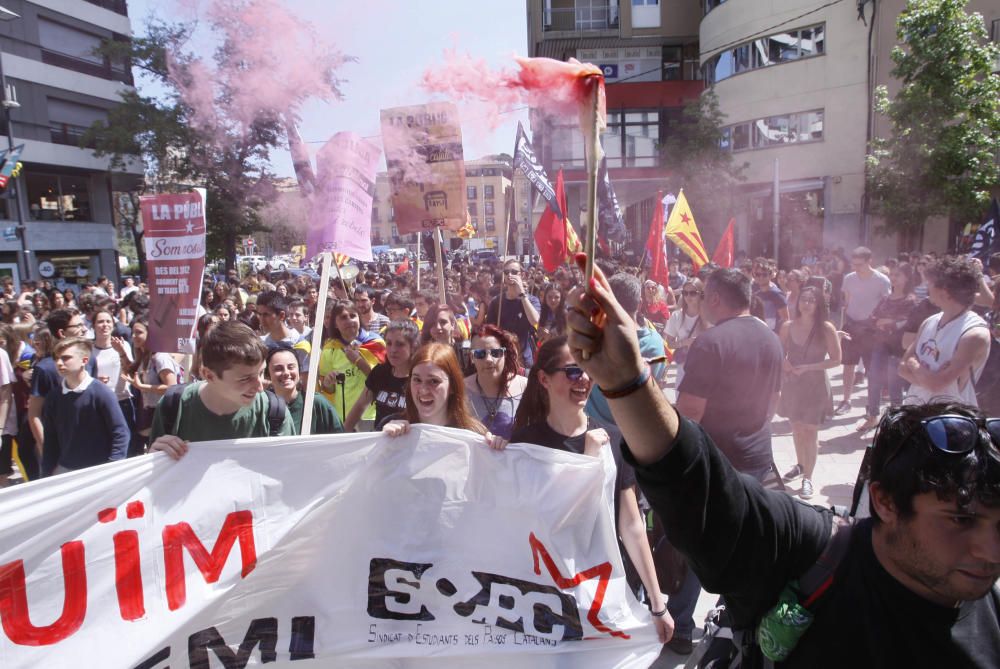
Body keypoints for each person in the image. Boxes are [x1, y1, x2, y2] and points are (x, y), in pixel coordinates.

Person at [564, 255, 1000, 667]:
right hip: (748, 460)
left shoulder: (991, 607)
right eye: (960, 520)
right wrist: (627, 383)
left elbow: (698, 414)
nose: (990, 551)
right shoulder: (816, 551)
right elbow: (695, 484)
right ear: (884, 502)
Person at [510, 336, 674, 645]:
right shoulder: (525, 446)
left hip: (606, 590)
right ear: (544, 379)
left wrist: (657, 603)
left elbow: (632, 525)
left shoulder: (613, 439)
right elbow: (528, 522)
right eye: (572, 371)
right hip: (545, 595)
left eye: (587, 370)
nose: (583, 379)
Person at [149, 321, 295, 459]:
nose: (259, 387)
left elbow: (288, 474)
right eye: (245, 379)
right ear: (208, 375)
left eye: (261, 373)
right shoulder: (173, 406)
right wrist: (154, 458)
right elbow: (153, 477)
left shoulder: (274, 413)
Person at [777, 286, 842, 499]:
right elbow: (779, 351)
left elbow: (836, 359)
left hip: (815, 385)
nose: (806, 303)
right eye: (803, 299)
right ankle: (800, 464)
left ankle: (808, 478)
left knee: (811, 431)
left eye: (811, 300)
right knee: (796, 428)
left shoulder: (826, 328)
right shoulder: (788, 326)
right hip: (793, 383)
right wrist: (785, 364)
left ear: (818, 304)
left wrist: (809, 367)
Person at [899, 256, 990, 406]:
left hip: (951, 421)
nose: (927, 287)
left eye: (930, 283)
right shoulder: (930, 321)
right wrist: (928, 378)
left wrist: (914, 364)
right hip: (914, 411)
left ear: (945, 291)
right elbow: (902, 368)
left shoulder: (974, 334)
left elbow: (937, 384)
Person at [380, 342, 504, 450]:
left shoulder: (475, 434)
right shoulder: (391, 426)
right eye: (417, 380)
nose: (423, 390)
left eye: (434, 381)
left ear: (452, 386)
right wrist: (381, 442)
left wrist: (497, 450)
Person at [586, 273, 667, 425]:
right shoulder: (655, 341)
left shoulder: (594, 341)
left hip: (598, 428)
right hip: (639, 428)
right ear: (640, 303)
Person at [41, 337, 128, 475]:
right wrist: (46, 472)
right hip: (65, 469)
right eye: (56, 358)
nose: (59, 363)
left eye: (66, 358)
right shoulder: (54, 397)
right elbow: (50, 439)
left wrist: (112, 467)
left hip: (97, 471)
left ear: (84, 361)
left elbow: (120, 432)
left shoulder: (101, 393)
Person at [857, 262, 919, 432]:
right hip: (880, 345)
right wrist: (878, 321)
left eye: (898, 275)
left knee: (894, 384)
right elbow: (873, 317)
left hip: (898, 348)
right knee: (874, 378)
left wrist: (890, 322)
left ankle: (896, 420)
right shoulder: (885, 298)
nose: (894, 278)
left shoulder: (911, 300)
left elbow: (909, 323)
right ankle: (872, 416)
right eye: (892, 275)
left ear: (907, 277)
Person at [837, 246, 891, 414]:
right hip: (851, 325)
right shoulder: (849, 278)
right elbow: (847, 302)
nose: (856, 268)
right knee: (848, 365)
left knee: (871, 368)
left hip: (870, 329)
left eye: (859, 264)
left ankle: (871, 405)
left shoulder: (882, 280)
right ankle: (846, 401)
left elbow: (886, 304)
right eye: (854, 264)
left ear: (870, 262)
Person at [317, 300, 386, 422]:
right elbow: (327, 389)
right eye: (343, 317)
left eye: (353, 316)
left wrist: (357, 360)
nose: (349, 320)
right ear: (335, 324)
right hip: (342, 417)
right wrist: (328, 383)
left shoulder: (376, 343)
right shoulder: (330, 348)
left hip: (371, 416)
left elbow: (381, 381)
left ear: (359, 318)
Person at [344, 320, 418, 431]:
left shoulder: (420, 379)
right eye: (389, 343)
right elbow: (359, 407)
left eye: (400, 344)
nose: (393, 350)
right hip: (381, 442)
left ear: (413, 347)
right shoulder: (379, 373)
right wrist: (342, 434)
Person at [464, 325, 527, 440]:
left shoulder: (526, 387)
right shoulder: (461, 390)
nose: (488, 360)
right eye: (480, 354)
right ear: (472, 357)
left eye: (495, 353)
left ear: (505, 354)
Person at [126, 314, 181, 446]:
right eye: (133, 332)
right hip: (148, 413)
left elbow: (171, 387)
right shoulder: (144, 356)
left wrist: (143, 387)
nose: (133, 336)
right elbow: (130, 371)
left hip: (162, 415)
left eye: (138, 332)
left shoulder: (160, 357)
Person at [91, 308, 138, 456]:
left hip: (122, 401)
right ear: (93, 326)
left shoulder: (123, 345)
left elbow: (131, 370)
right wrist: (94, 380)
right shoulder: (88, 349)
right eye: (100, 322)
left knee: (126, 447)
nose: (104, 325)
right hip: (99, 404)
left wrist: (121, 353)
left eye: (108, 321)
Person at [265, 345, 342, 435]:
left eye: (291, 367)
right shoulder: (263, 407)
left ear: (299, 370)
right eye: (278, 369)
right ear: (267, 374)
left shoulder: (316, 403)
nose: (286, 373)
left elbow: (341, 441)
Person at [485, 258, 541, 367]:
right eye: (506, 272)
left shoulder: (532, 300)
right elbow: (489, 330)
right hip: (503, 357)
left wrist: (522, 294)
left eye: (514, 272)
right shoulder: (497, 302)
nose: (510, 275)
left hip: (524, 358)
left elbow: (534, 320)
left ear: (522, 275)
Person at [663, 277, 707, 389]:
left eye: (692, 293)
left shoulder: (708, 315)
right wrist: (685, 342)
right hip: (683, 367)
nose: (688, 297)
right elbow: (670, 343)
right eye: (685, 293)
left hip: (705, 366)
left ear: (701, 294)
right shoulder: (676, 316)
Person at [751, 258, 788, 332]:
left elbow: (785, 320)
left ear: (770, 275)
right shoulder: (756, 295)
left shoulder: (777, 294)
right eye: (758, 274)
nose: (761, 277)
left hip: (774, 336)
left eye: (764, 274)